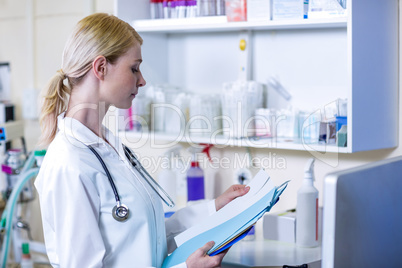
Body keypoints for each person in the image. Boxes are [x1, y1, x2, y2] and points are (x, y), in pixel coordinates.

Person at [35, 13, 250, 268]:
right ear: (101, 67)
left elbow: (149, 236)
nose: (142, 80)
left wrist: (214, 208)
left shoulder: (109, 148)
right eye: (134, 68)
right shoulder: (69, 164)